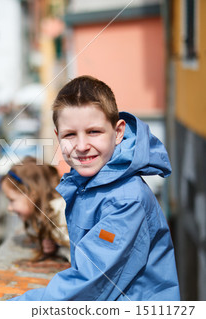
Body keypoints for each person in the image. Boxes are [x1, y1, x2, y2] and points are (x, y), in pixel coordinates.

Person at [10, 75, 180, 301]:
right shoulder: (89, 183)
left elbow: (88, 286)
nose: (81, 146)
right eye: (70, 134)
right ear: (57, 137)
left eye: (94, 132)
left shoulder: (126, 201)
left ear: (118, 132)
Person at [1, 157, 70, 261]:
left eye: (12, 200)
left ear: (32, 194)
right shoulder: (42, 216)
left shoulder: (63, 212)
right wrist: (55, 245)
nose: (9, 208)